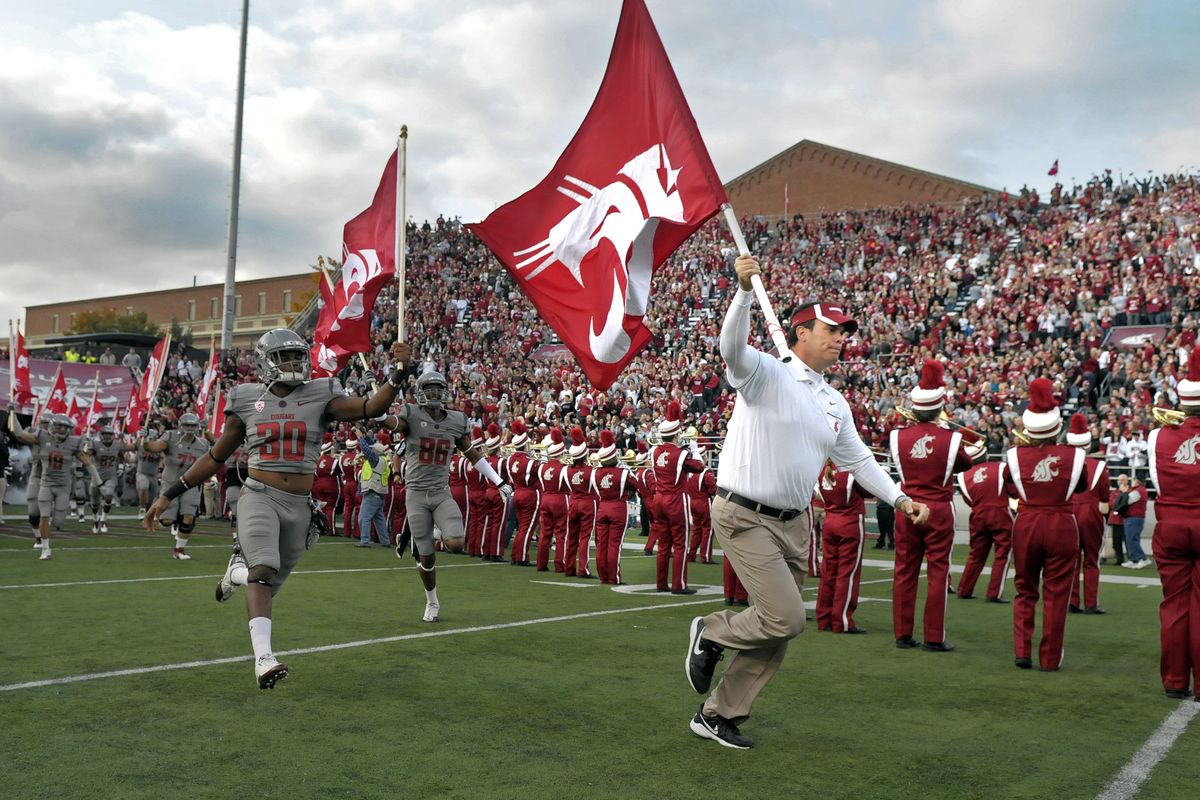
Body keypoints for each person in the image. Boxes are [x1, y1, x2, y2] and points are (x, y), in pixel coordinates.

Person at [683, 255, 928, 750]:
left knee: (778, 630)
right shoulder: (767, 373)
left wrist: (899, 498)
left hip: (795, 523)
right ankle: (710, 632)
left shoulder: (834, 402)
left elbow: (859, 461)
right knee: (786, 617)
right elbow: (730, 349)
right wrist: (744, 292)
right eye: (831, 328)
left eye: (844, 330)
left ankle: (717, 714)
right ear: (799, 332)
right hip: (745, 513)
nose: (841, 337)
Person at [144, 329, 409, 690]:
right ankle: (264, 659)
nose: (295, 363)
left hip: (299, 505)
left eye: (299, 356)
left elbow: (371, 408)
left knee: (266, 583)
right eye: (285, 356)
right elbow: (215, 457)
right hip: (259, 495)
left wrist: (398, 373)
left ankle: (234, 574)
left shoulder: (322, 393)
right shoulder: (246, 399)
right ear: (266, 361)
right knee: (264, 571)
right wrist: (168, 495)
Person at [374, 369, 513, 622]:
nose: (435, 393)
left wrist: (499, 480)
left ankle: (434, 531)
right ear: (421, 393)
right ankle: (432, 600)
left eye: (438, 388)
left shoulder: (456, 420)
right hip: (415, 493)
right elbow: (390, 422)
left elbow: (473, 454)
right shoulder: (411, 415)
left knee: (457, 543)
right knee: (426, 557)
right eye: (429, 389)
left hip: (441, 492)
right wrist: (378, 408)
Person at [888, 359, 977, 651]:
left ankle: (902, 634)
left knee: (904, 570)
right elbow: (967, 462)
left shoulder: (897, 436)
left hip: (907, 507)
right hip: (938, 508)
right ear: (939, 408)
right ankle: (934, 636)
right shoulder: (951, 438)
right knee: (938, 572)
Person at [1004, 378, 1088, 672]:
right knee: (1057, 593)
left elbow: (1009, 488)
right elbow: (1081, 487)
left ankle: (1021, 652)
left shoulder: (1014, 455)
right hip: (1063, 523)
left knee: (1024, 589)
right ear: (1055, 426)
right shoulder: (1075, 455)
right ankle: (1050, 658)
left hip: (1027, 522)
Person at [1148, 348, 1200, 698]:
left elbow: (1157, 482)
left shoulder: (1156, 437)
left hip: (1170, 527)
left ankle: (1175, 681)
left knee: (1175, 604)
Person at [11, 413, 99, 560]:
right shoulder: (37, 434)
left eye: (64, 427)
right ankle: (40, 540)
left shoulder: (69, 441)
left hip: (60, 480)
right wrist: (12, 414)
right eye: (44, 423)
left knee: (57, 520)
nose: (60, 429)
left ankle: (48, 523)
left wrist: (87, 445)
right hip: (39, 475)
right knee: (34, 510)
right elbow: (19, 434)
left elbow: (86, 454)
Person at [140, 412, 213, 559]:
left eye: (193, 425)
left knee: (188, 516)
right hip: (171, 482)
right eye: (187, 425)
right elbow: (152, 447)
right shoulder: (170, 436)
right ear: (180, 425)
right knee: (167, 521)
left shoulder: (203, 443)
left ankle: (179, 550)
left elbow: (211, 460)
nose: (190, 428)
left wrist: (211, 477)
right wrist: (146, 438)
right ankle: (168, 516)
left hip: (191, 483)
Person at [651, 402, 704, 593]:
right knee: (680, 543)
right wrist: (694, 450)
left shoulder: (654, 452)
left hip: (659, 498)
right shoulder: (680, 453)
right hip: (675, 499)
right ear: (675, 434)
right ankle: (678, 584)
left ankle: (661, 583)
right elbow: (699, 467)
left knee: (664, 543)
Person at [814, 461, 871, 634]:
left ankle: (824, 618)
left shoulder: (823, 467)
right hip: (850, 521)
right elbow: (869, 490)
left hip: (830, 521)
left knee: (828, 572)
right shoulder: (853, 468)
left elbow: (818, 494)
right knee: (847, 573)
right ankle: (842, 620)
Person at [1065, 413, 1110, 614]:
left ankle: (1072, 601)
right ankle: (1091, 603)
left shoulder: (1062, 462)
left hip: (1068, 511)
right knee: (1092, 560)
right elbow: (1105, 496)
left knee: (1071, 560)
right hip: (1091, 512)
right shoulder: (1099, 466)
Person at [955, 459, 1014, 603]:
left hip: (977, 515)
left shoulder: (964, 475)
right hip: (1000, 513)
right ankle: (994, 593)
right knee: (1002, 554)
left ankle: (964, 590)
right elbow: (1014, 492)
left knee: (976, 555)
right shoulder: (1001, 467)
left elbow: (968, 500)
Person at [591, 431, 635, 584]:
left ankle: (603, 576)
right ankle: (613, 577)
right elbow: (637, 485)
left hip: (602, 507)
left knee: (601, 544)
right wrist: (626, 496)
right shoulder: (622, 473)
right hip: (618, 507)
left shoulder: (595, 473)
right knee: (614, 544)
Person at [504, 420, 541, 567]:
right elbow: (541, 472)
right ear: (525, 444)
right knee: (527, 527)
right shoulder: (530, 462)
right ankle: (521, 557)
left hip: (517, 493)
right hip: (530, 494)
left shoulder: (510, 459)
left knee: (521, 527)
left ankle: (515, 555)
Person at [563, 426, 597, 578]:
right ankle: (583, 569)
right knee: (584, 538)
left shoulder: (566, 470)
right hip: (587, 504)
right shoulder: (591, 470)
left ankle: (569, 568)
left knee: (571, 537)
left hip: (573, 503)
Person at [88, 425, 135, 533]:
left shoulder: (117, 445)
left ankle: (104, 519)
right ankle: (95, 519)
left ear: (113, 436)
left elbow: (121, 456)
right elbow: (87, 455)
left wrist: (121, 467)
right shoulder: (95, 444)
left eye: (109, 434)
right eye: (105, 434)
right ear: (101, 435)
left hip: (110, 475)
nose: (107, 436)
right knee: (95, 503)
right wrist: (87, 448)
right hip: (97, 476)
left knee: (108, 495)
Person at [535, 429, 569, 572]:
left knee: (545, 533)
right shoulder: (564, 467)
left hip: (546, 498)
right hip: (560, 499)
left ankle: (541, 563)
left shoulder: (542, 467)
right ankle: (560, 565)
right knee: (561, 533)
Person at [354, 433, 392, 547]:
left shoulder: (375, 459)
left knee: (363, 517)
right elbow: (370, 446)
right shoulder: (383, 459)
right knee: (379, 518)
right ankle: (385, 541)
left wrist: (360, 438)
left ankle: (365, 541)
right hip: (379, 492)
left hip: (373, 491)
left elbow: (366, 449)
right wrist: (366, 436)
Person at [1122, 476, 1151, 569]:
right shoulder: (1141, 490)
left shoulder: (1138, 491)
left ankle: (1141, 558)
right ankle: (1133, 558)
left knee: (1132, 539)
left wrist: (1124, 492)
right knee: (1132, 539)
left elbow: (1126, 501)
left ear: (1137, 481)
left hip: (1134, 518)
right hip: (1135, 518)